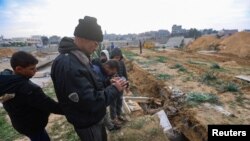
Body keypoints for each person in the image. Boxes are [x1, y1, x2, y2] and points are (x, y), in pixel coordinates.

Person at [51, 16, 127, 141]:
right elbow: (90, 102)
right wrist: (114, 89)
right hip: (87, 122)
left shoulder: (79, 57)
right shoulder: (69, 65)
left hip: (93, 117)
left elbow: (90, 85)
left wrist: (108, 82)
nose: (96, 47)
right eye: (95, 43)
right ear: (81, 38)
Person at [0, 51, 63, 141]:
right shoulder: (28, 89)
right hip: (33, 126)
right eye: (32, 68)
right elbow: (50, 106)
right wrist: (70, 109)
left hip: (20, 123)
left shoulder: (7, 81)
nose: (35, 70)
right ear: (18, 69)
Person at [92, 59, 122, 131]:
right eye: (111, 72)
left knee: (104, 112)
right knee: (102, 112)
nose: (111, 74)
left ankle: (110, 126)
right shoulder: (96, 71)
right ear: (107, 66)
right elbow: (99, 89)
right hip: (94, 100)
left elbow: (101, 83)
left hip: (97, 98)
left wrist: (109, 81)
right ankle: (109, 127)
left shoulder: (101, 71)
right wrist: (114, 88)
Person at [109, 48, 129, 125]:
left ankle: (119, 114)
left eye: (119, 57)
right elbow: (108, 76)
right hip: (113, 86)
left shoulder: (122, 63)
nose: (117, 59)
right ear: (112, 57)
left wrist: (127, 84)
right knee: (113, 102)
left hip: (121, 85)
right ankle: (113, 118)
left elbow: (125, 74)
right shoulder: (110, 64)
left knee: (119, 101)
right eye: (116, 57)